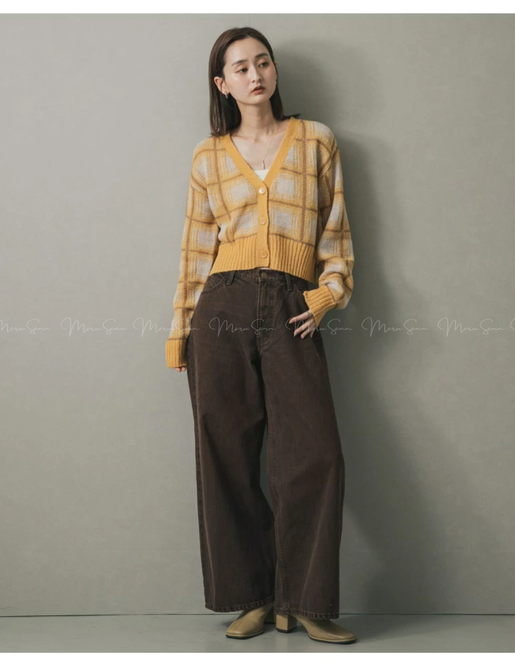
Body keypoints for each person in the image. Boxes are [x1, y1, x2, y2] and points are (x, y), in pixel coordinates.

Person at [166, 26, 356, 645]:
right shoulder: (207, 156)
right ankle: (253, 596)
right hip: (220, 309)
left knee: (314, 453)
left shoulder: (316, 140)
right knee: (224, 455)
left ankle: (305, 600)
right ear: (222, 84)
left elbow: (337, 233)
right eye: (241, 68)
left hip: (292, 306)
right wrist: (181, 332)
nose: (255, 75)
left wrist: (327, 294)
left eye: (263, 62)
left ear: (274, 70)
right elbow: (195, 251)